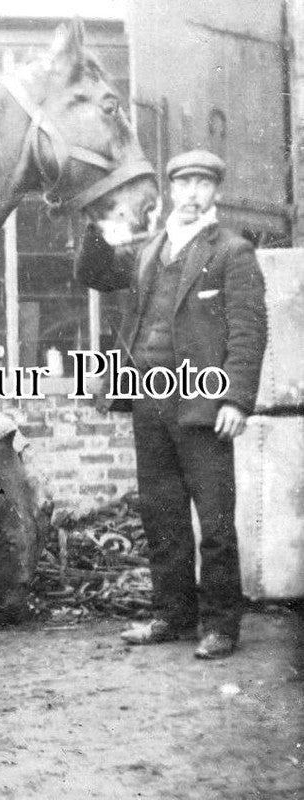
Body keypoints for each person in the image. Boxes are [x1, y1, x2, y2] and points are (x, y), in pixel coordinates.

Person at [75, 150, 266, 659]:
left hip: (204, 403)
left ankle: (221, 626)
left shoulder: (232, 252)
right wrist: (100, 217)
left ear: (216, 193)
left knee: (216, 522)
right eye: (183, 183)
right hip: (149, 401)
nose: (192, 193)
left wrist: (238, 400)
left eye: (203, 183)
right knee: (162, 516)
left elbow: (248, 332)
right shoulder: (148, 248)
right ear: (170, 191)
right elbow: (95, 273)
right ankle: (172, 615)